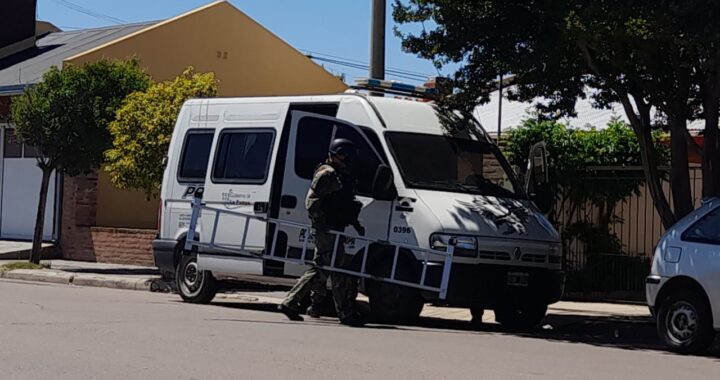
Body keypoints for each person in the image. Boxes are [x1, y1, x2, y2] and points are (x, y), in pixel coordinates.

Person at [278, 138, 366, 327]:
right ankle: (344, 313)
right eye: (344, 155)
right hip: (328, 229)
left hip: (333, 227)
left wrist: (353, 221)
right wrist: (322, 224)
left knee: (324, 268)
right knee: (333, 269)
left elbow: (342, 202)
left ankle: (300, 303)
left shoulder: (338, 173)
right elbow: (312, 201)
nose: (347, 159)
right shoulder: (327, 173)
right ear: (337, 155)